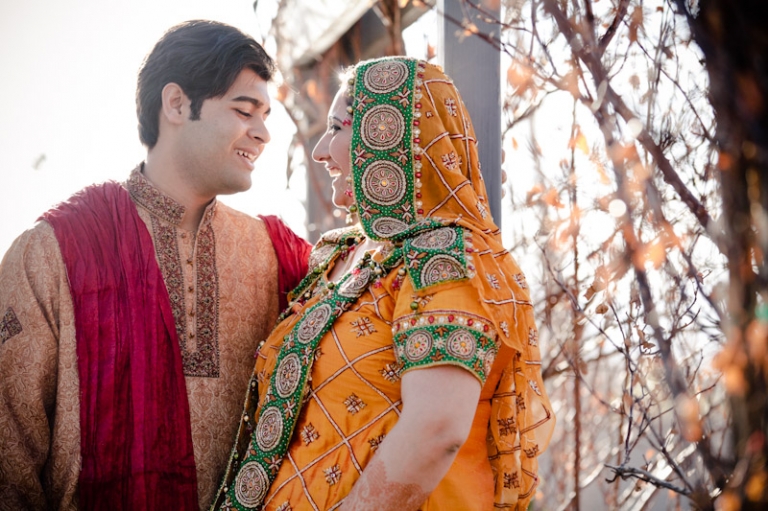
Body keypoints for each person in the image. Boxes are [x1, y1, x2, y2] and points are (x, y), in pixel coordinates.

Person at [211, 57, 554, 511]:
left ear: (385, 133)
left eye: (337, 127)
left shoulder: (444, 259)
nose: (319, 150)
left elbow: (436, 431)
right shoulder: (349, 256)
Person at [0, 20, 311, 510]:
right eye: (243, 110)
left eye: (266, 115)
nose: (264, 132)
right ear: (176, 104)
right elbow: (8, 459)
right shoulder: (54, 252)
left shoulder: (276, 257)